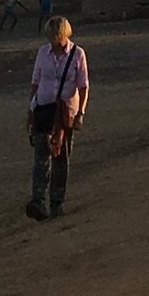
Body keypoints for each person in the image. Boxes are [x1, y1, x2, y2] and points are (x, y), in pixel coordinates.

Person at [26, 15, 91, 222]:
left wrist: (80, 113)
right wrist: (29, 110)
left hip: (64, 113)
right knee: (41, 156)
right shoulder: (42, 53)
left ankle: (56, 202)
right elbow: (35, 82)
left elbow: (83, 86)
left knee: (61, 157)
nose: (53, 41)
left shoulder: (78, 54)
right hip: (42, 108)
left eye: (56, 36)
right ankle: (38, 200)